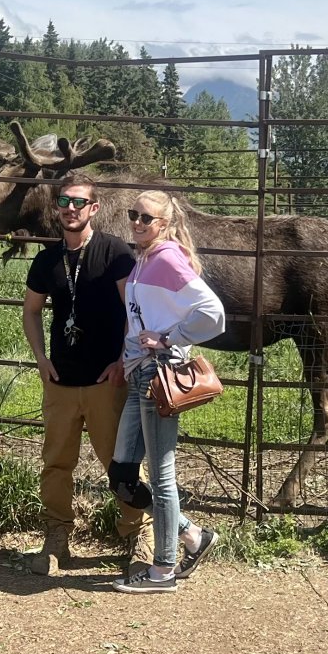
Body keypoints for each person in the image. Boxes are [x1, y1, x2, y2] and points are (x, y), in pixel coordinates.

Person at [22, 171, 152, 576]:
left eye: (79, 202)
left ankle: (138, 537)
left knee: (122, 463)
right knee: (56, 463)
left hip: (105, 381)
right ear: (56, 208)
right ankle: (57, 537)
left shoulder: (116, 254)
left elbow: (134, 313)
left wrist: (121, 360)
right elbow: (30, 311)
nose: (71, 209)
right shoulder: (46, 260)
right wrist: (41, 359)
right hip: (61, 382)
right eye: (64, 202)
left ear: (94, 208)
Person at [112, 189, 226, 594]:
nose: (138, 223)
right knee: (123, 474)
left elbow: (213, 314)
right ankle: (193, 536)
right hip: (137, 373)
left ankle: (163, 570)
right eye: (134, 215)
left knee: (161, 476)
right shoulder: (144, 258)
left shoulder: (167, 258)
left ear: (165, 224)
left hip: (157, 375)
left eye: (147, 218)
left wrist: (168, 338)